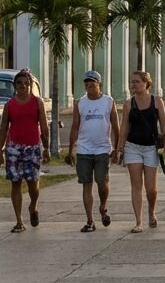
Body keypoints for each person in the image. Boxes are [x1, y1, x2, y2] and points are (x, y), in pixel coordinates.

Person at [0, 68, 50, 233]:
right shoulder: (9, 105)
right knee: (16, 183)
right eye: (19, 83)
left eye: (26, 83)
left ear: (30, 85)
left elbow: (44, 127)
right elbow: (3, 129)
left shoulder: (37, 102)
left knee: (33, 184)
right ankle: (19, 221)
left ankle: (33, 206)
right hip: (14, 148)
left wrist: (46, 148)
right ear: (15, 86)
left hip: (32, 148)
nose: (23, 86)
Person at [116, 70, 165, 233]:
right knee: (136, 184)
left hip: (151, 148)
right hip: (133, 146)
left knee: (151, 188)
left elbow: (164, 125)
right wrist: (120, 148)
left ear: (146, 84)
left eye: (137, 81)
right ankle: (138, 221)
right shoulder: (128, 104)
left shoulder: (157, 101)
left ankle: (151, 212)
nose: (133, 84)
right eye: (132, 81)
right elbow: (124, 128)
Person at [66, 70, 118, 232]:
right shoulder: (80, 103)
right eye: (87, 82)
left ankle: (103, 206)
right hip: (84, 149)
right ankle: (90, 220)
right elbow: (75, 126)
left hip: (102, 149)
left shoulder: (108, 101)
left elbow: (116, 126)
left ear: (99, 83)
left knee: (102, 182)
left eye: (92, 82)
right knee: (86, 184)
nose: (89, 85)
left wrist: (117, 148)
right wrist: (70, 150)